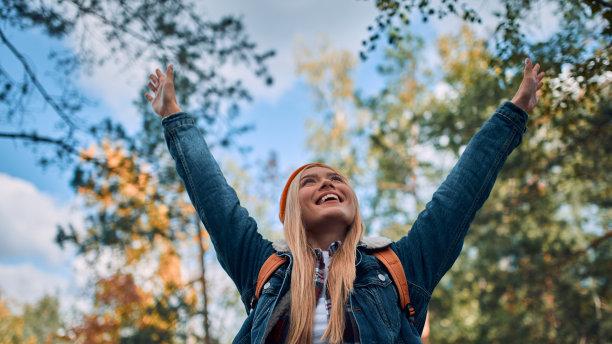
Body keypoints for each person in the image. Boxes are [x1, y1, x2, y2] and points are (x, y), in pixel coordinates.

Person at [145, 58, 545, 343]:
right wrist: (172, 116)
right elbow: (215, 200)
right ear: (291, 212)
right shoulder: (265, 270)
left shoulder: (397, 269)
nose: (327, 183)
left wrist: (513, 113)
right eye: (311, 181)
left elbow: (458, 197)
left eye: (336, 178)